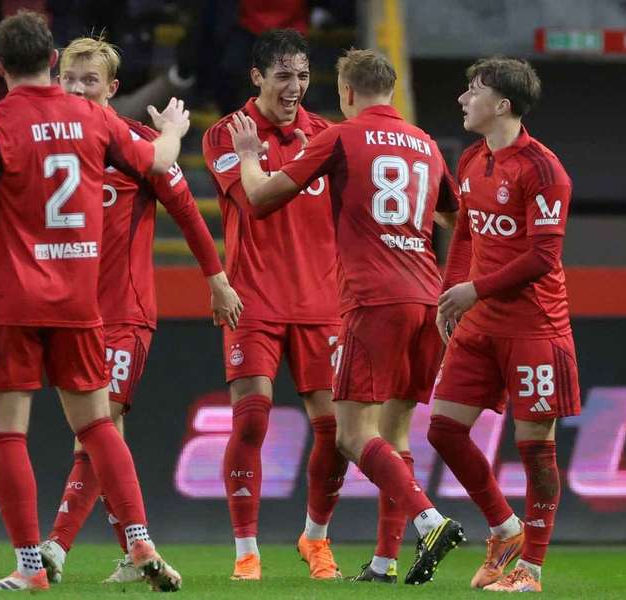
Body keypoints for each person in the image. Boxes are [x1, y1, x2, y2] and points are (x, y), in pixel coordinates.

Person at [0, 33, 243, 584]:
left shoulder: (135, 144)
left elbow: (188, 212)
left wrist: (217, 280)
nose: (78, 89)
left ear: (112, 88)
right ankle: (132, 551)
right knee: (101, 430)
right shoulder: (57, 144)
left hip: (124, 311)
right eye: (69, 78)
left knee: (98, 424)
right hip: (71, 309)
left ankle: (57, 549)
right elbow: (37, 221)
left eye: (90, 81)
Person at [0, 10, 190, 592]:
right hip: (78, 302)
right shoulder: (93, 116)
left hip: (11, 304)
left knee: (6, 433)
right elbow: (158, 163)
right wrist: (172, 131)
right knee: (98, 425)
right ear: (52, 61)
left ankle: (30, 568)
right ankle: (139, 539)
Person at [229, 47, 464, 586]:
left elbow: (260, 198)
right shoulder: (426, 144)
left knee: (352, 436)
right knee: (395, 435)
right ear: (392, 89)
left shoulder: (340, 135)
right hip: (428, 299)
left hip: (373, 299)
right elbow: (458, 219)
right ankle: (384, 563)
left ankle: (428, 520)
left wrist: (248, 156)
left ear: (347, 92)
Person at [201, 28, 348, 581]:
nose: (295, 87)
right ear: (257, 76)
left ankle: (316, 539)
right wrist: (250, 157)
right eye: (283, 75)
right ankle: (246, 550)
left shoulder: (327, 135)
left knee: (334, 429)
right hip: (254, 298)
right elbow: (252, 200)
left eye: (303, 75)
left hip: (321, 300)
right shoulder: (226, 134)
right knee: (252, 418)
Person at [428, 57, 580, 593]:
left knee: (535, 450)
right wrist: (451, 295)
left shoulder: (544, 170)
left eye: (474, 90)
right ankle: (505, 529)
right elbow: (466, 234)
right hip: (479, 324)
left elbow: (543, 257)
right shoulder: (472, 159)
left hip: (535, 327)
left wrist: (474, 290)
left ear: (503, 105)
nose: (463, 99)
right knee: (443, 429)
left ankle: (530, 569)